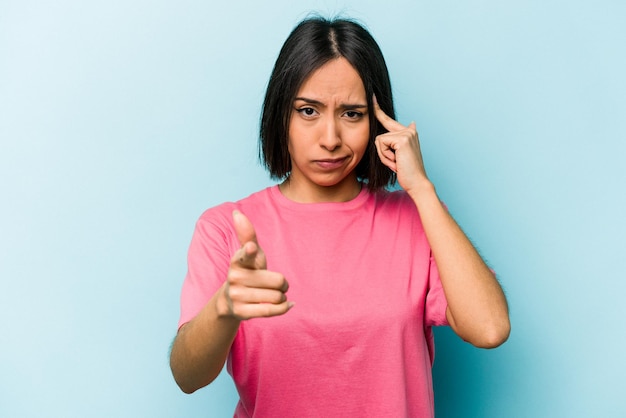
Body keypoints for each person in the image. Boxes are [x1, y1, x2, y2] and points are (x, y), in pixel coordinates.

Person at [170, 16, 510, 417]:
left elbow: (490, 328)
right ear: (281, 115)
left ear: (377, 121)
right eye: (309, 111)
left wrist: (422, 190)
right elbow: (187, 376)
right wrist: (225, 306)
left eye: (351, 114)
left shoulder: (418, 220)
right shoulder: (226, 227)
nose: (330, 139)